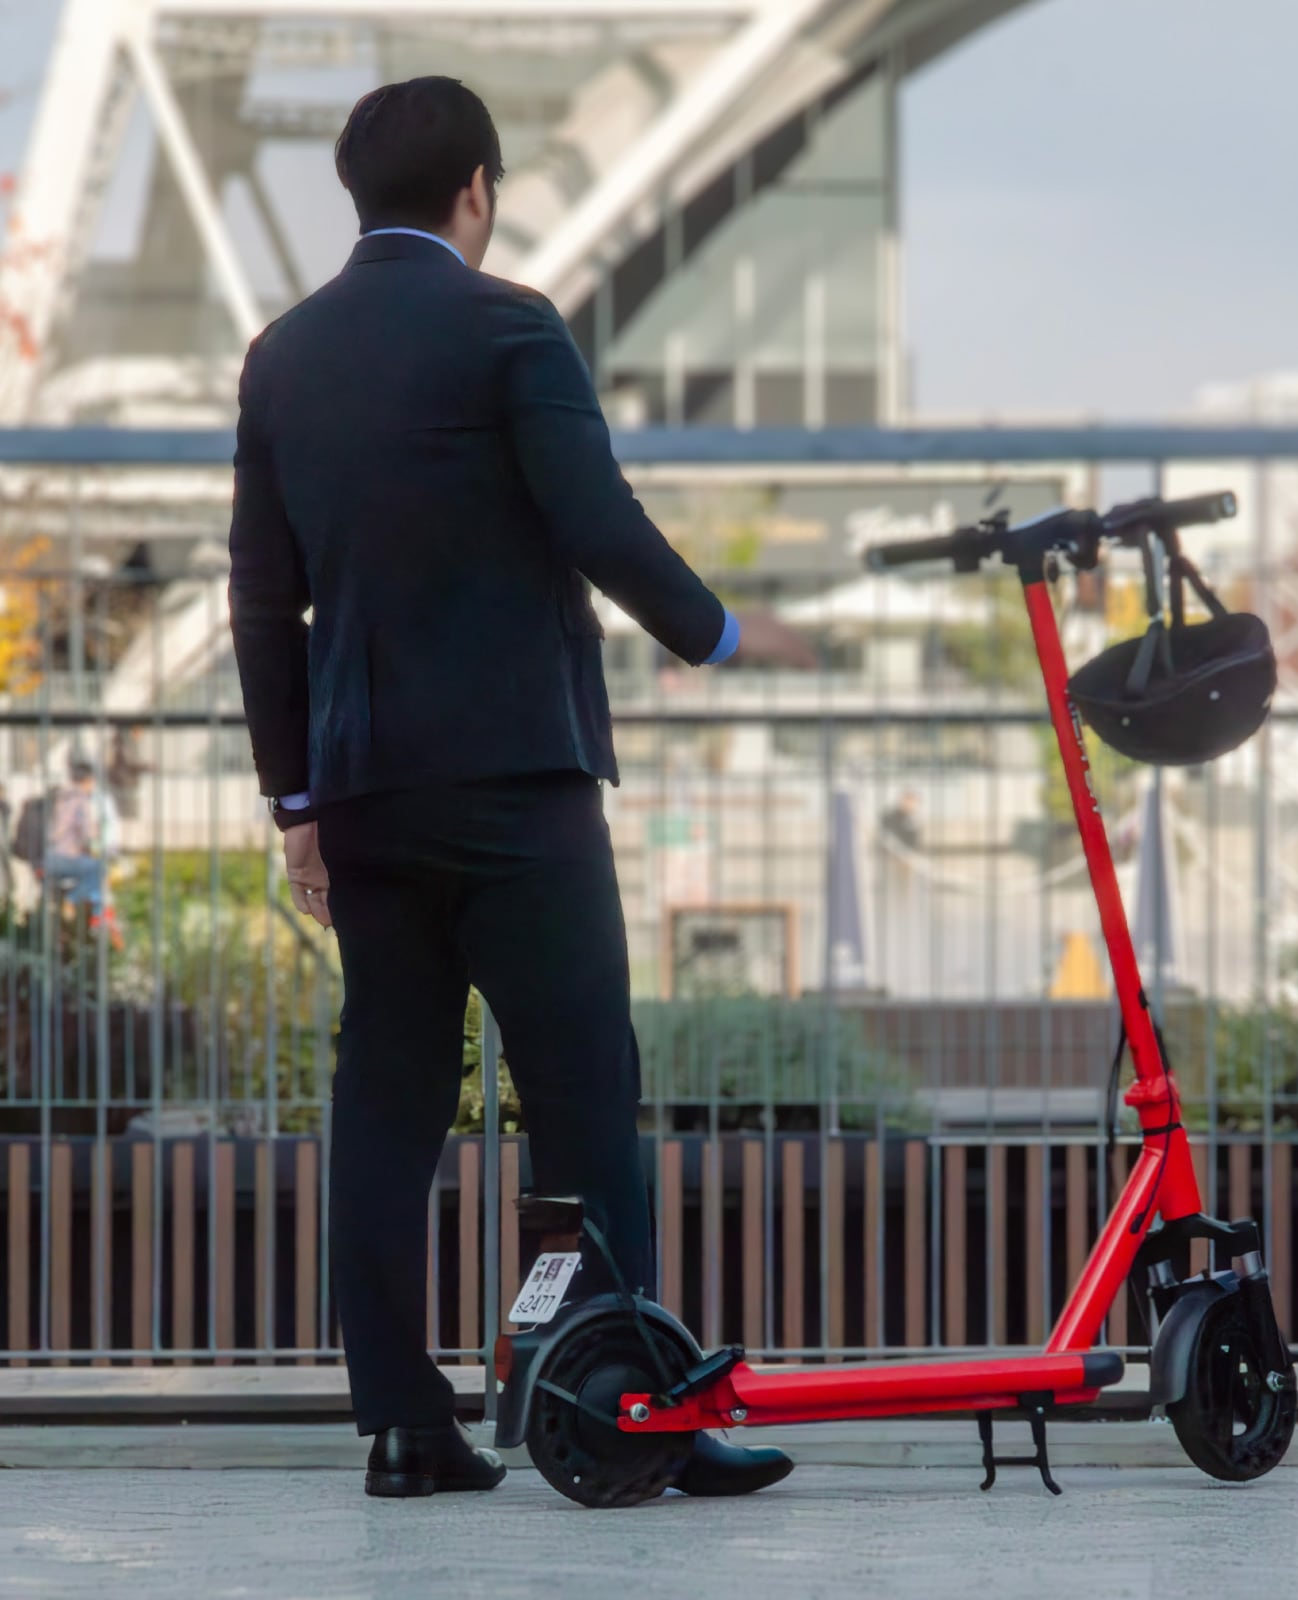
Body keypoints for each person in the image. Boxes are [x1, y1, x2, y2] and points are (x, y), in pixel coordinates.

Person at [228, 77, 790, 1501]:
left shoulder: (282, 357)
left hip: (365, 792)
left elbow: (261, 602)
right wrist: (722, 632)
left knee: (388, 1100)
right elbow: (596, 519)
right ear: (477, 188)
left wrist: (295, 803)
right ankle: (623, 1410)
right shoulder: (511, 326)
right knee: (584, 1095)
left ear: (356, 195)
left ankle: (404, 1426)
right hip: (519, 784)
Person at [42, 755, 123, 947]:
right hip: (64, 857)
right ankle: (81, 906)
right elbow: (87, 834)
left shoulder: (60, 795)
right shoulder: (80, 799)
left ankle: (96, 917)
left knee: (93, 873)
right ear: (87, 780)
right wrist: (96, 835)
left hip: (47, 857)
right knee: (99, 869)